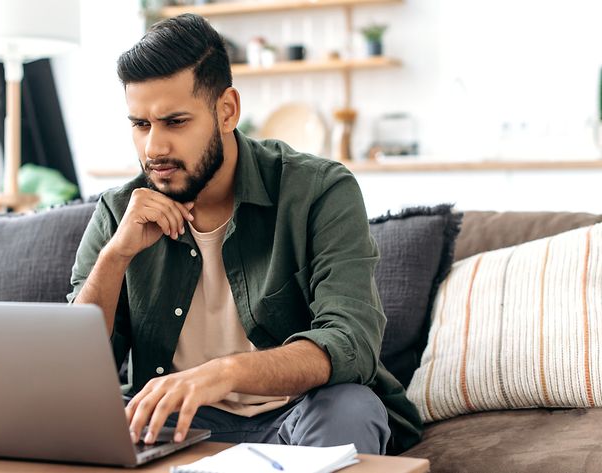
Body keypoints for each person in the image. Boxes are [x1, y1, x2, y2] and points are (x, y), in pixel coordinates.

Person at [67, 13, 422, 455]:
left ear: (227, 110)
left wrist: (225, 372)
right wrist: (115, 256)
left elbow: (351, 341)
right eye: (141, 125)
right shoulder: (121, 210)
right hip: (176, 423)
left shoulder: (319, 191)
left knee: (350, 410)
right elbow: (73, 369)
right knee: (72, 422)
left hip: (301, 411)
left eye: (175, 122)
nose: (154, 148)